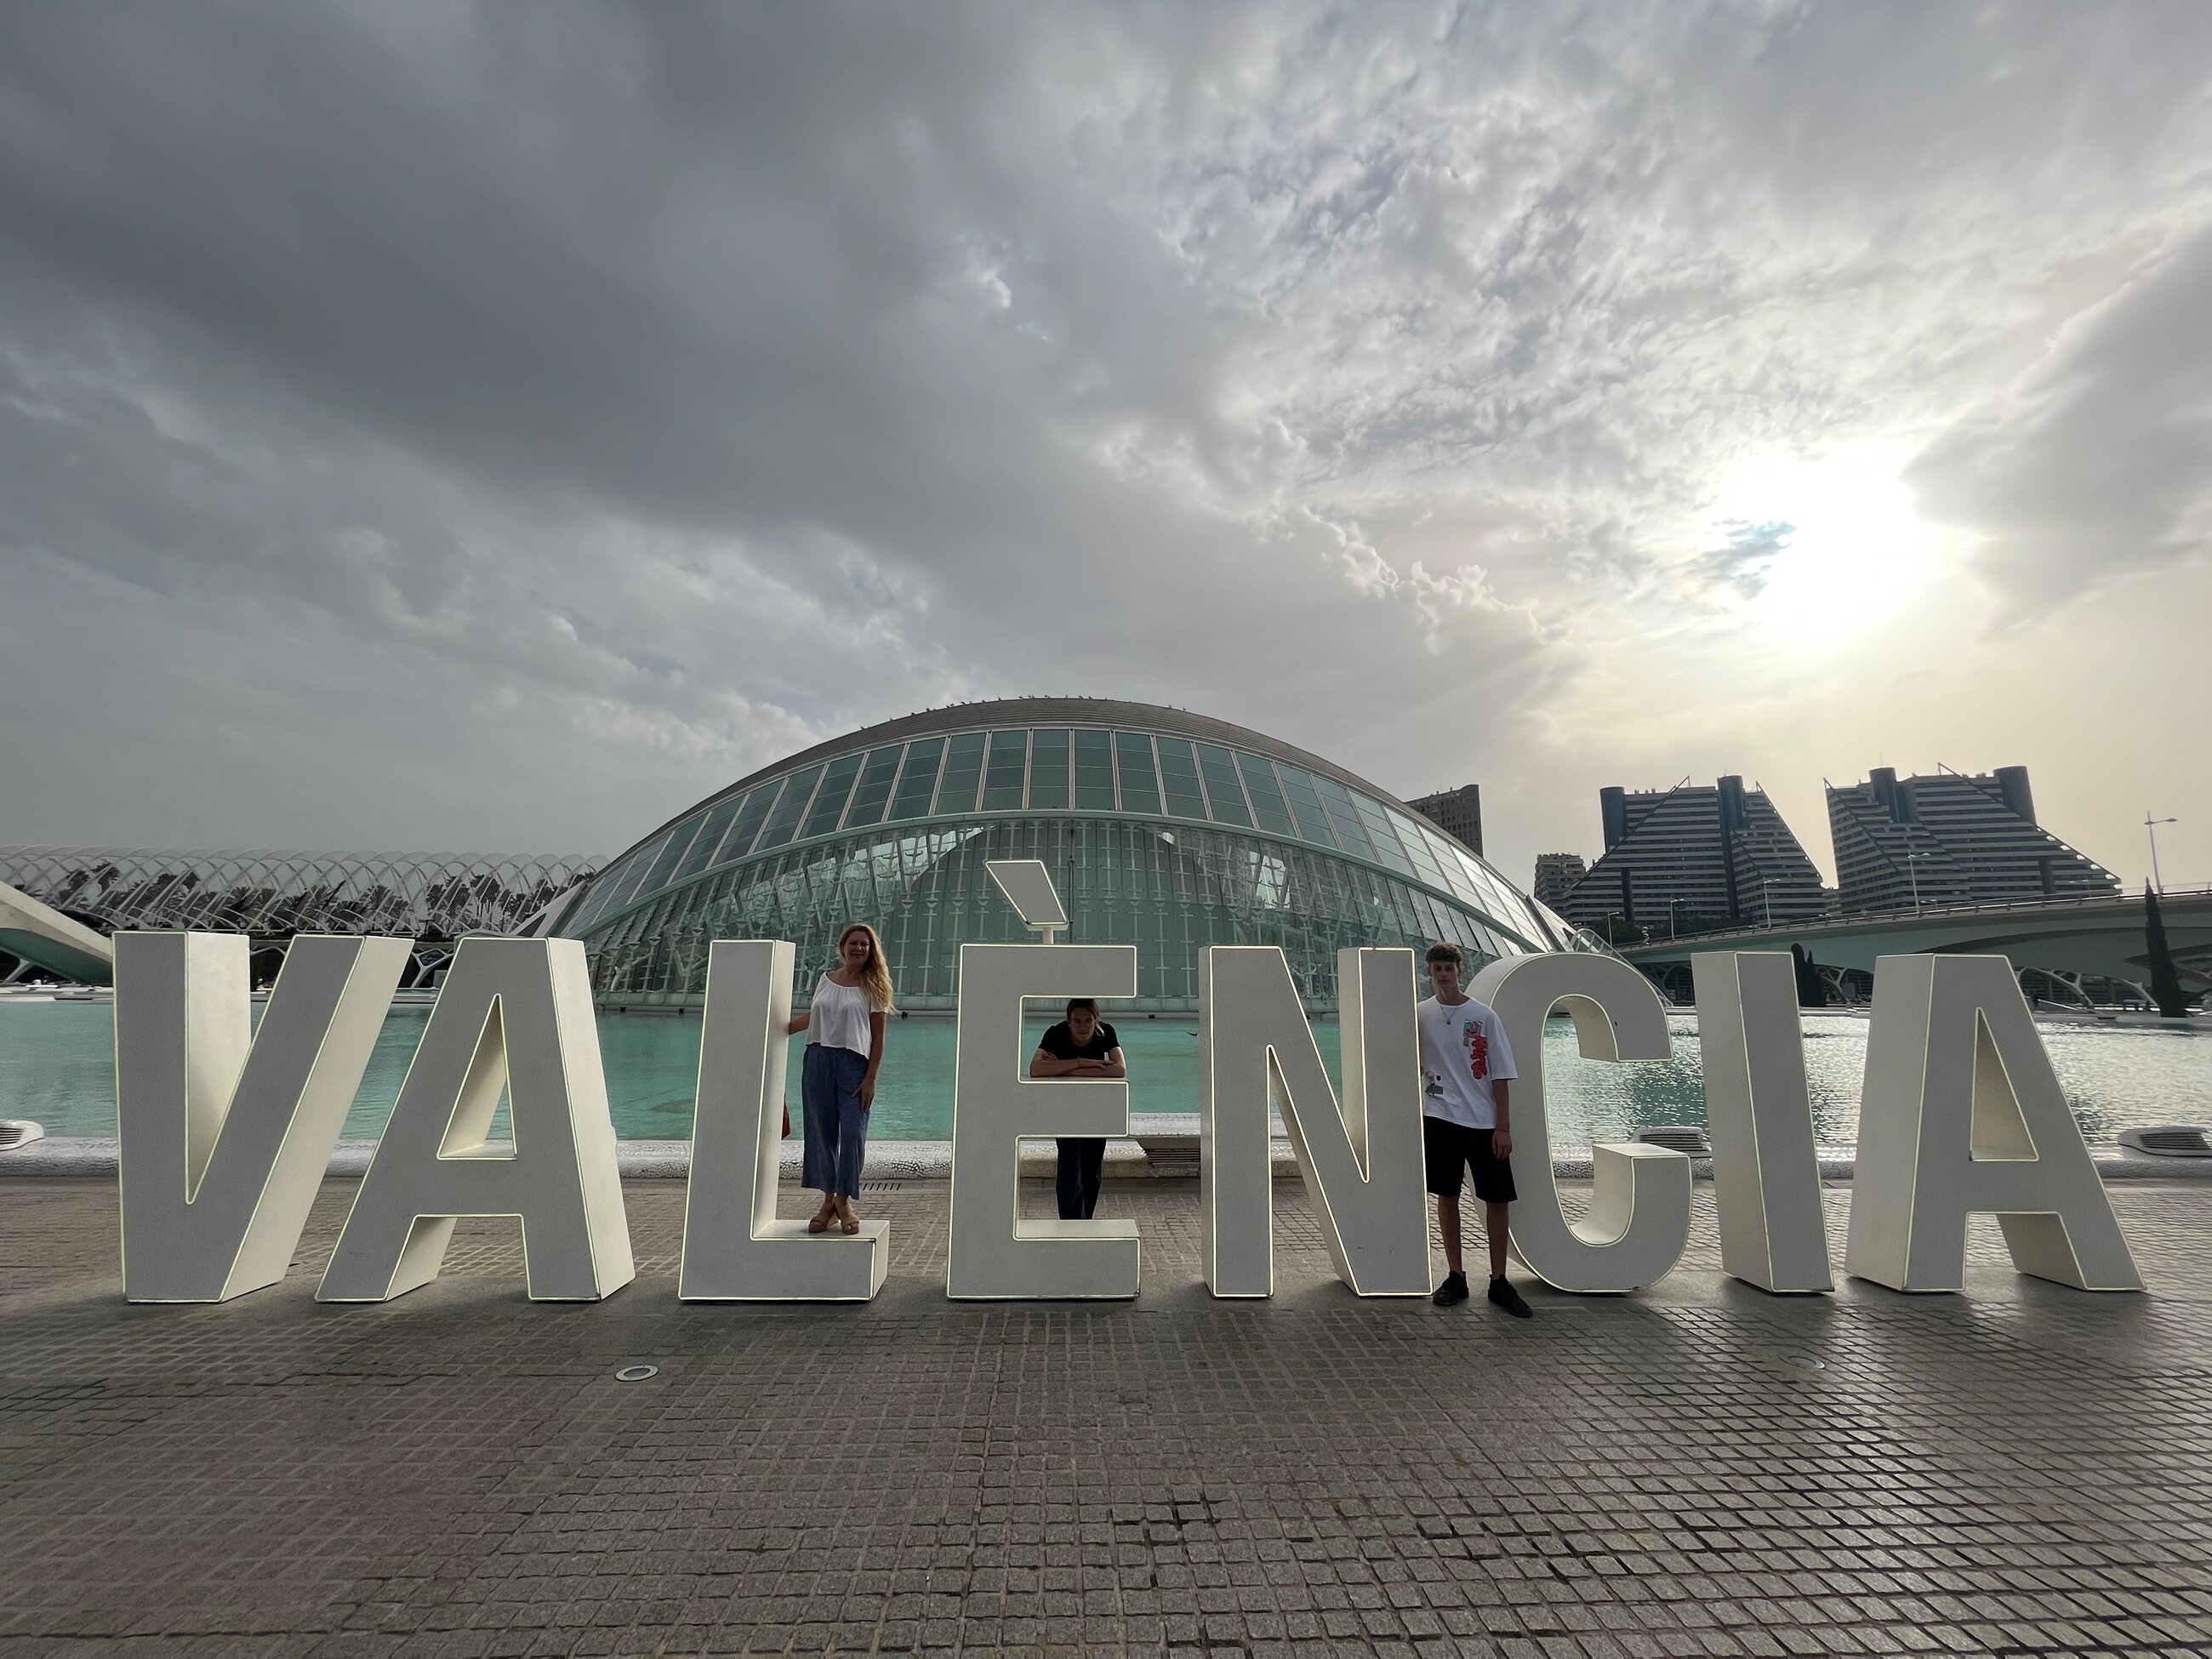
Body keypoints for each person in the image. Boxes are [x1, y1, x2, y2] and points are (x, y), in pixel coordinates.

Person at [1418, 941, 1531, 1316]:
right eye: (1437, 969)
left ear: (1459, 971)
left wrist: (1504, 1127)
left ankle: (1499, 1279)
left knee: (1496, 1201)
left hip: (1483, 1122)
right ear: (1430, 973)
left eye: (1449, 968)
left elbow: (1500, 1074)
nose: (1444, 975)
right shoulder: (1420, 1015)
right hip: (1439, 1118)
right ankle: (1456, 1275)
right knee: (1446, 1197)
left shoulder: (1484, 1016)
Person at [787, 923, 892, 1235]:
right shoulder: (826, 979)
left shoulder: (875, 985)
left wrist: (871, 1078)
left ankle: (843, 1201)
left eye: (864, 944)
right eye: (853, 943)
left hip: (853, 1064)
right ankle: (829, 1201)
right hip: (818, 1060)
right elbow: (815, 1016)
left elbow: (878, 1038)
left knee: (852, 1134)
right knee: (822, 1134)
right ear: (842, 947)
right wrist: (782, 1028)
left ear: (871, 950)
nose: (858, 948)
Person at [1028, 997, 1126, 1220]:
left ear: (1096, 1021)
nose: (1083, 1026)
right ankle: (1071, 1224)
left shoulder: (1106, 1032)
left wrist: (1061, 1068)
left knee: (1092, 1172)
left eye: (1088, 1021)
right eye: (1077, 1021)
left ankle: (1085, 1222)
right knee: (1070, 1170)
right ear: (1069, 1022)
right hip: (1065, 1109)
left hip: (1097, 1109)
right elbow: (1035, 1069)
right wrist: (1082, 1062)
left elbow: (1119, 1069)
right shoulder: (1056, 1033)